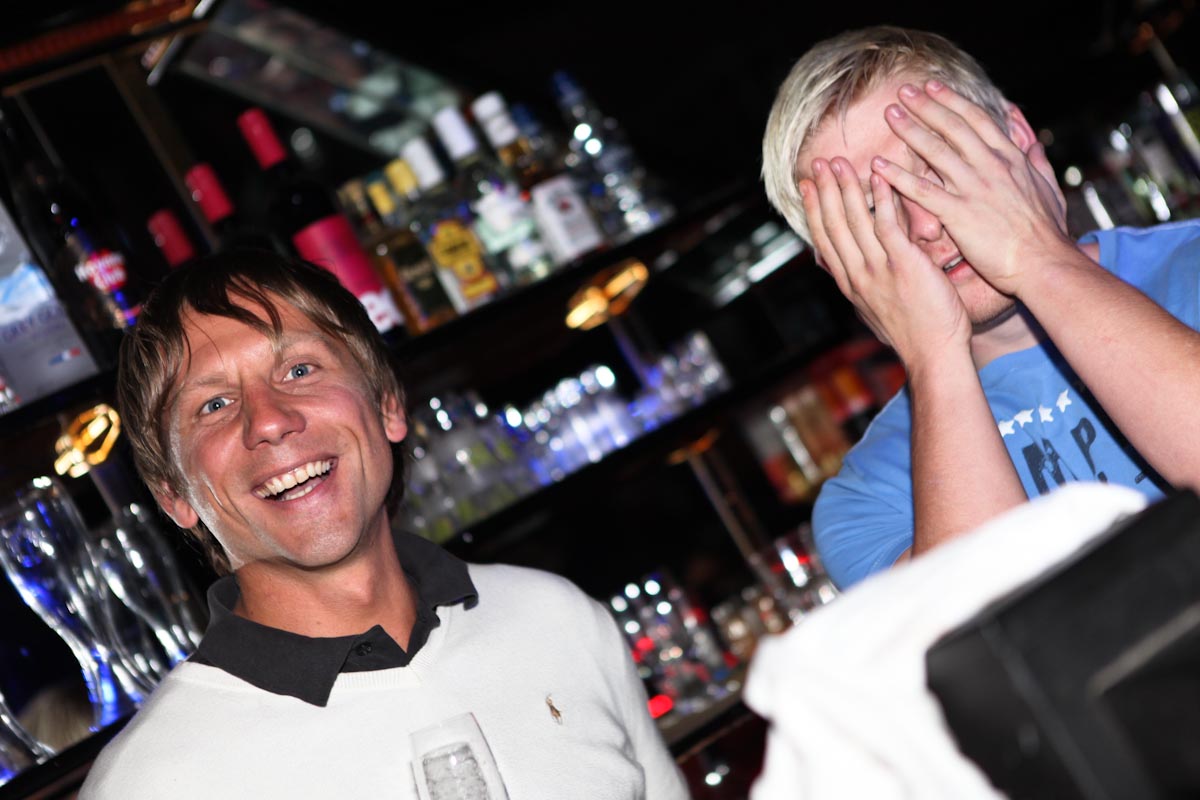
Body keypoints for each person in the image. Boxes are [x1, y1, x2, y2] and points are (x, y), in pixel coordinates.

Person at [79, 251, 686, 799]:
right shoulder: (148, 783)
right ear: (174, 495)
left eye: (299, 370)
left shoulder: (557, 619)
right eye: (214, 405)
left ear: (388, 404)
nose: (269, 420)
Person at [761, 26, 1200, 588]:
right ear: (840, 265)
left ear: (1016, 137)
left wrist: (1036, 259)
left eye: (937, 163)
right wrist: (934, 356)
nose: (924, 224)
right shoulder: (868, 499)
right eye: (875, 212)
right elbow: (993, 625)